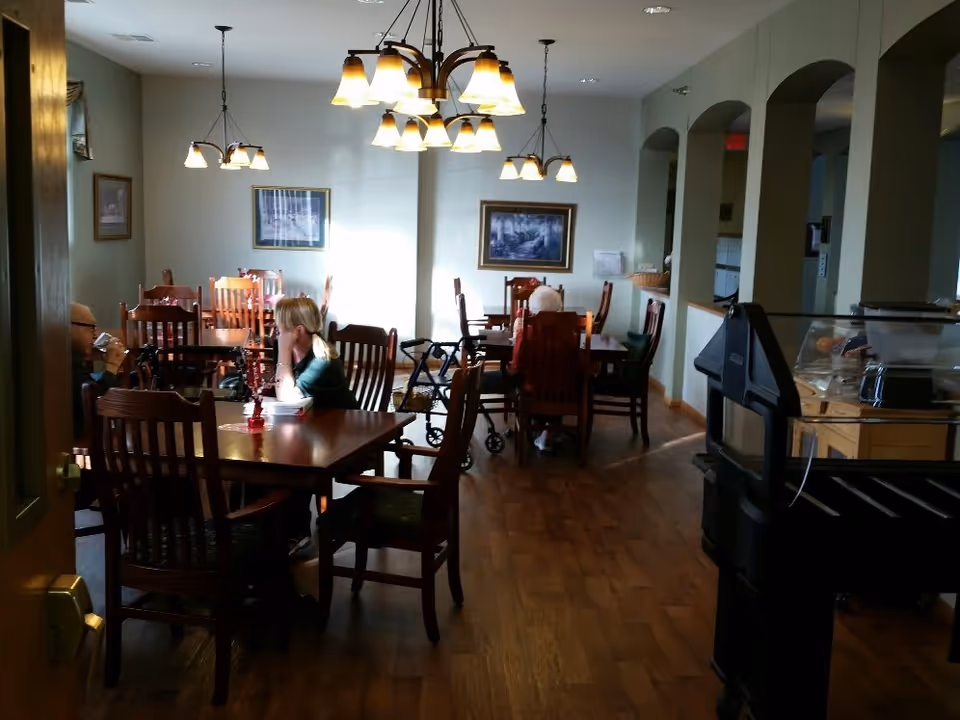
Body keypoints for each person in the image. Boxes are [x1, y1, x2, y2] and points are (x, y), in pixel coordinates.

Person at [273, 297, 358, 409]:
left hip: (336, 422)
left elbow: (286, 399)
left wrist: (284, 351)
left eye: (279, 329)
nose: (277, 335)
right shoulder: (289, 350)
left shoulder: (322, 362)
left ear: (299, 331)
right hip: (309, 420)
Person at [508, 286, 564, 452]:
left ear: (532, 311)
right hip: (563, 390)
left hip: (533, 389)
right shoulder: (571, 333)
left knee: (520, 379)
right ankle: (550, 429)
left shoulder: (526, 333)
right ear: (558, 309)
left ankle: (537, 427)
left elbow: (516, 364)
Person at [71, 302, 127, 441]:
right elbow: (95, 406)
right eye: (91, 328)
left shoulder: (75, 359)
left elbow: (91, 386)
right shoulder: (61, 364)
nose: (96, 334)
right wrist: (112, 365)